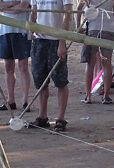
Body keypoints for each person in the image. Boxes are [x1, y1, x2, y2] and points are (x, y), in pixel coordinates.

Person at [30, 0, 73, 131]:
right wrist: (31, 31)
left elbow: (68, 15)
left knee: (60, 80)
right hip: (39, 41)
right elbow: (33, 12)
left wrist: (62, 42)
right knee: (40, 80)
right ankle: (42, 117)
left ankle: (61, 118)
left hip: (56, 41)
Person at [0, 0, 32, 111]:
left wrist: (4, 8)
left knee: (23, 67)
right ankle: (11, 101)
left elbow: (22, 7)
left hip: (22, 30)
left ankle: (25, 101)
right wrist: (12, 4)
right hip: (5, 31)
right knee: (8, 67)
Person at [79, 0, 114, 104]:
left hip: (93, 29)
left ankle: (88, 96)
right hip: (109, 30)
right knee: (107, 64)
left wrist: (79, 26)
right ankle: (106, 96)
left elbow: (79, 8)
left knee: (90, 64)